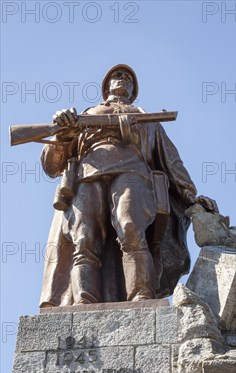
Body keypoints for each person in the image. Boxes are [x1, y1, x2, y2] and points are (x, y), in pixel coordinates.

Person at [40, 64, 217, 307]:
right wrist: (63, 132)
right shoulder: (85, 114)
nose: (122, 79)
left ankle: (141, 297)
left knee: (131, 226)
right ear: (106, 88)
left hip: (133, 170)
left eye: (127, 78)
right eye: (116, 75)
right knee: (84, 238)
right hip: (87, 174)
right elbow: (52, 165)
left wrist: (190, 196)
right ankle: (83, 301)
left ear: (133, 90)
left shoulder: (146, 117)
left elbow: (171, 161)